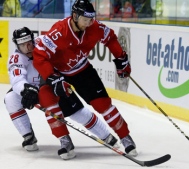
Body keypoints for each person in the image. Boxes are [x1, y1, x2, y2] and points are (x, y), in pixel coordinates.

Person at [33, 0, 138, 157]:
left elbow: (110, 38)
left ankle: (126, 137)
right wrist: (51, 77)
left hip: (82, 70)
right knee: (47, 98)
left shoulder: (94, 27)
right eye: (85, 20)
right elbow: (39, 56)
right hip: (58, 73)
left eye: (91, 19)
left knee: (102, 104)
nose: (89, 23)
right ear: (75, 16)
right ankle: (65, 141)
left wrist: (121, 58)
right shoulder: (59, 31)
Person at [4, 26, 119, 159]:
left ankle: (106, 135)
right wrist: (25, 90)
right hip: (34, 91)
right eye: (23, 45)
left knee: (78, 114)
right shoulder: (16, 58)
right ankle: (28, 136)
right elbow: (16, 79)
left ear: (33, 39)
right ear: (17, 45)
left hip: (53, 87)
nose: (28, 48)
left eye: (29, 43)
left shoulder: (44, 43)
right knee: (11, 98)